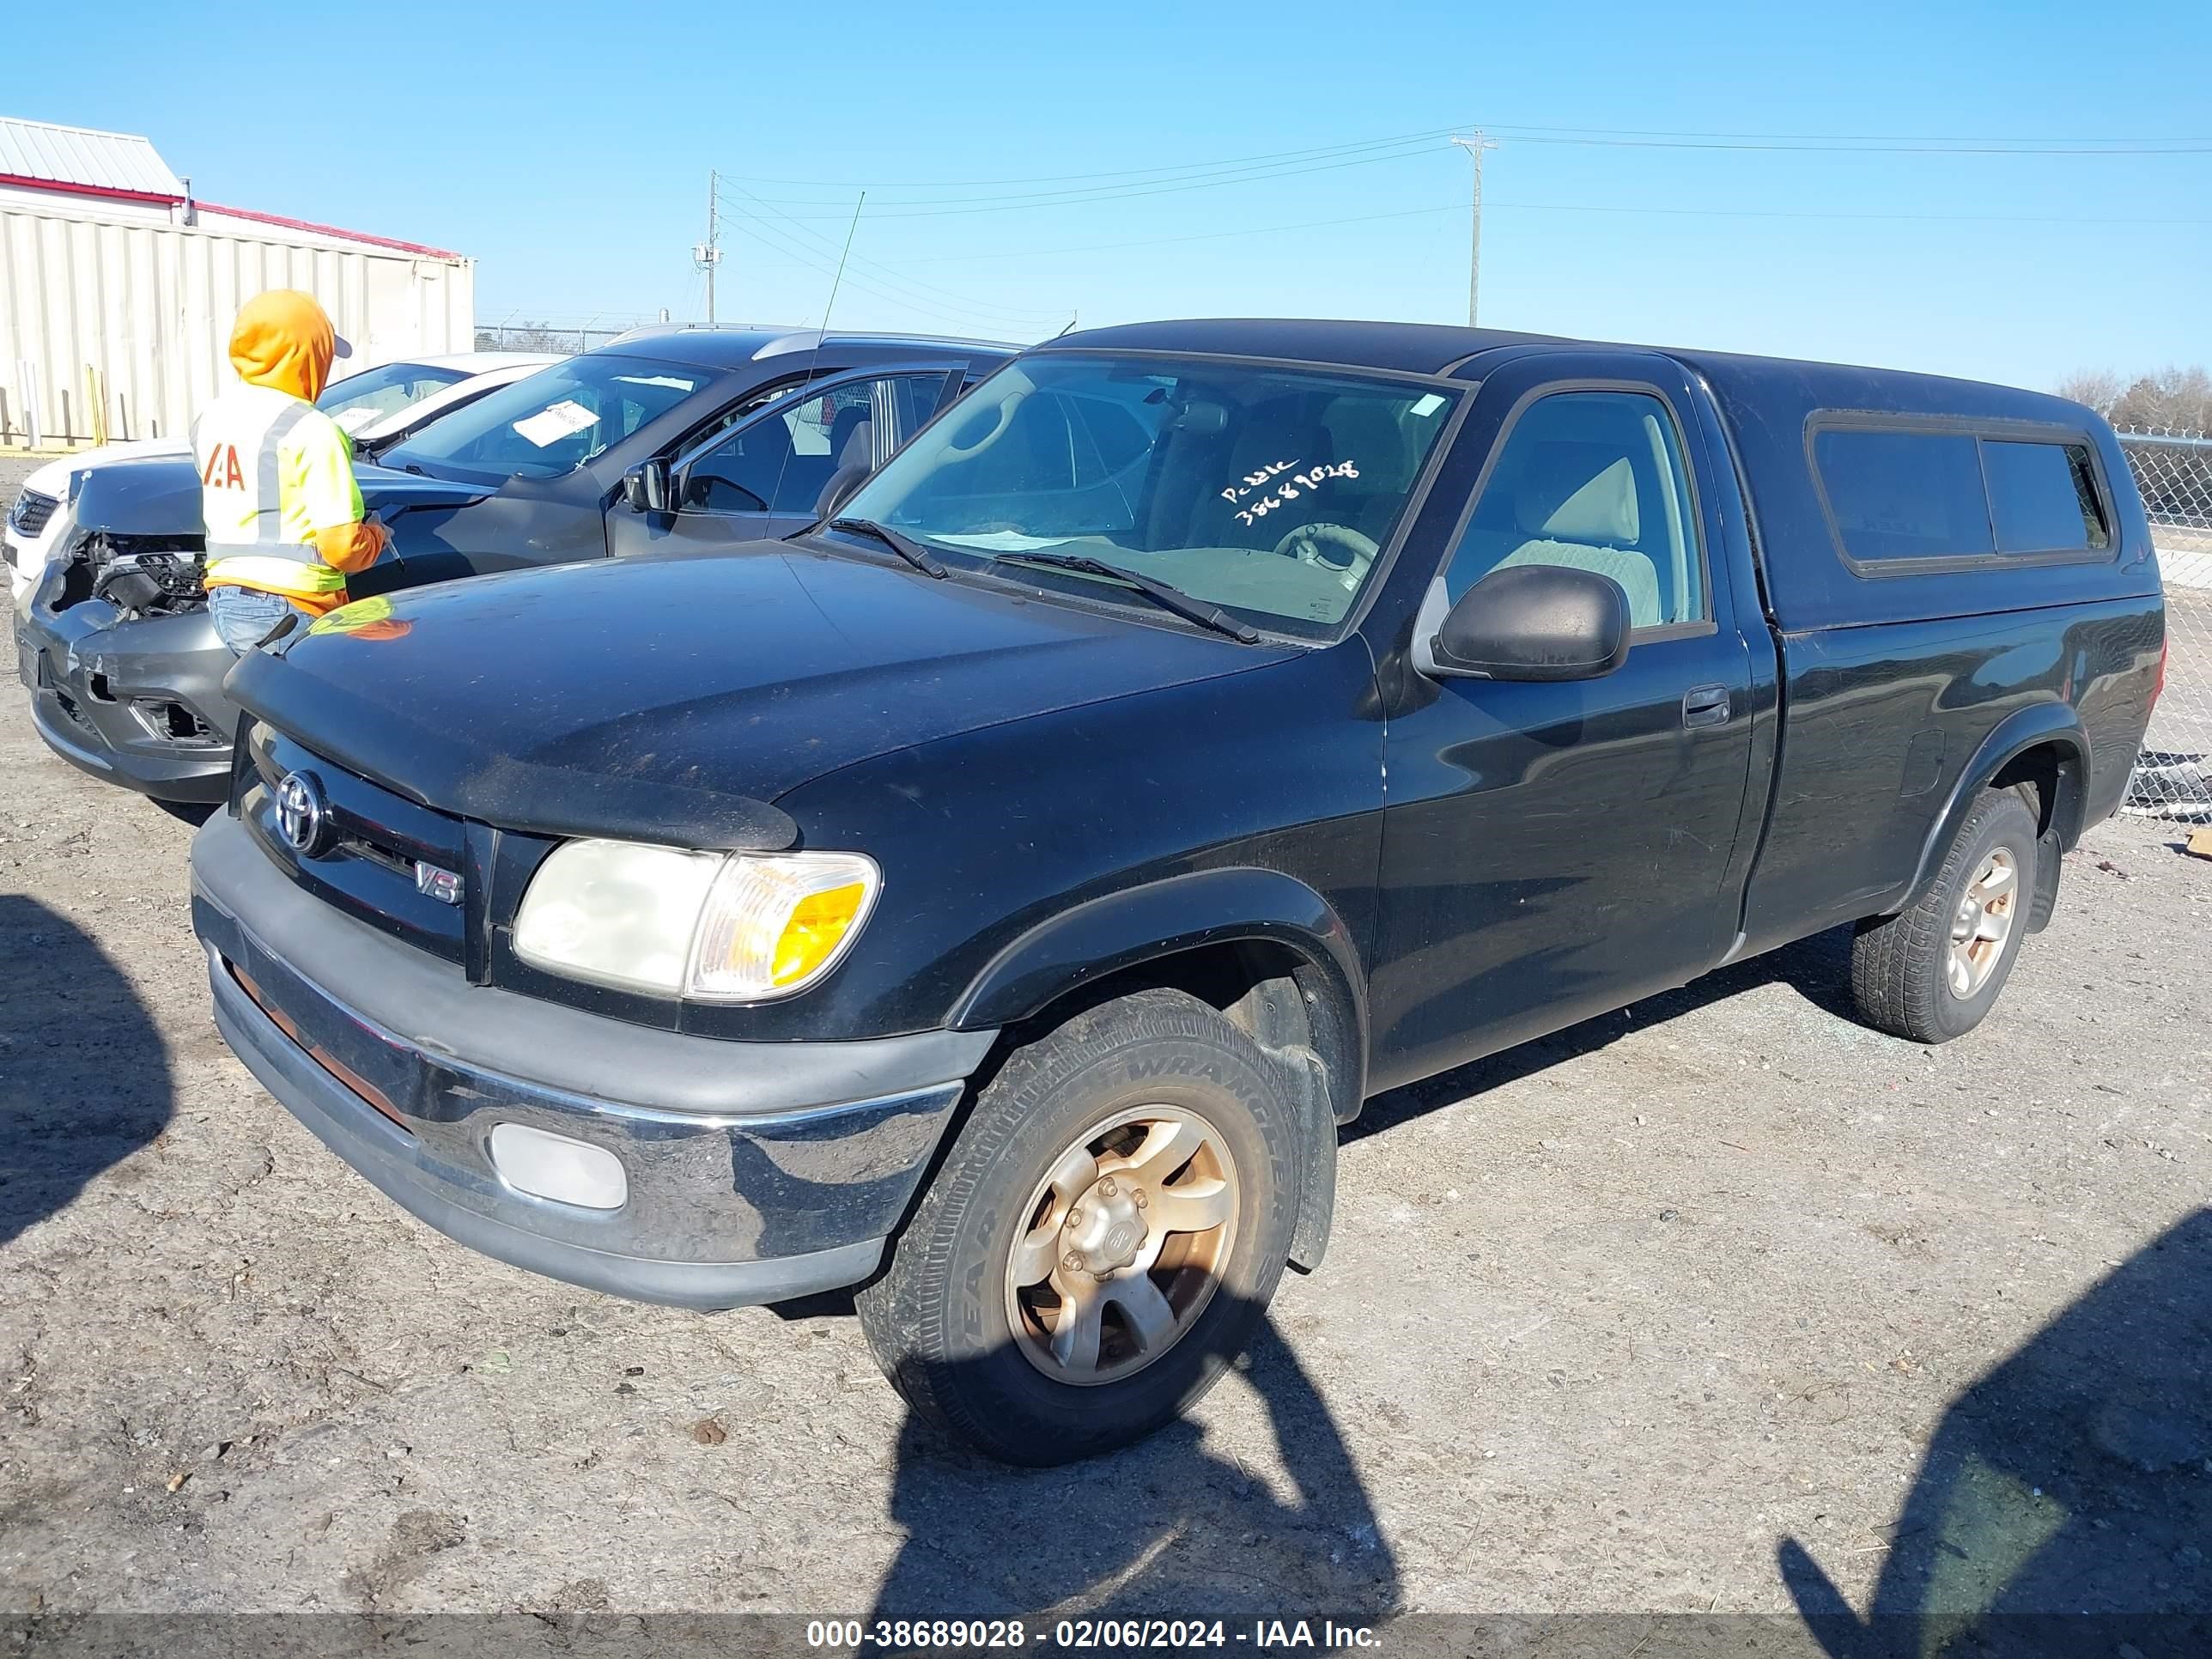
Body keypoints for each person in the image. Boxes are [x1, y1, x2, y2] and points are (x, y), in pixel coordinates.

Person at [193, 289, 389, 653]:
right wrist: (376, 536)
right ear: (306, 355)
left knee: (267, 704)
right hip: (292, 606)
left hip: (226, 600)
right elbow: (341, 547)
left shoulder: (211, 418)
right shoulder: (312, 428)